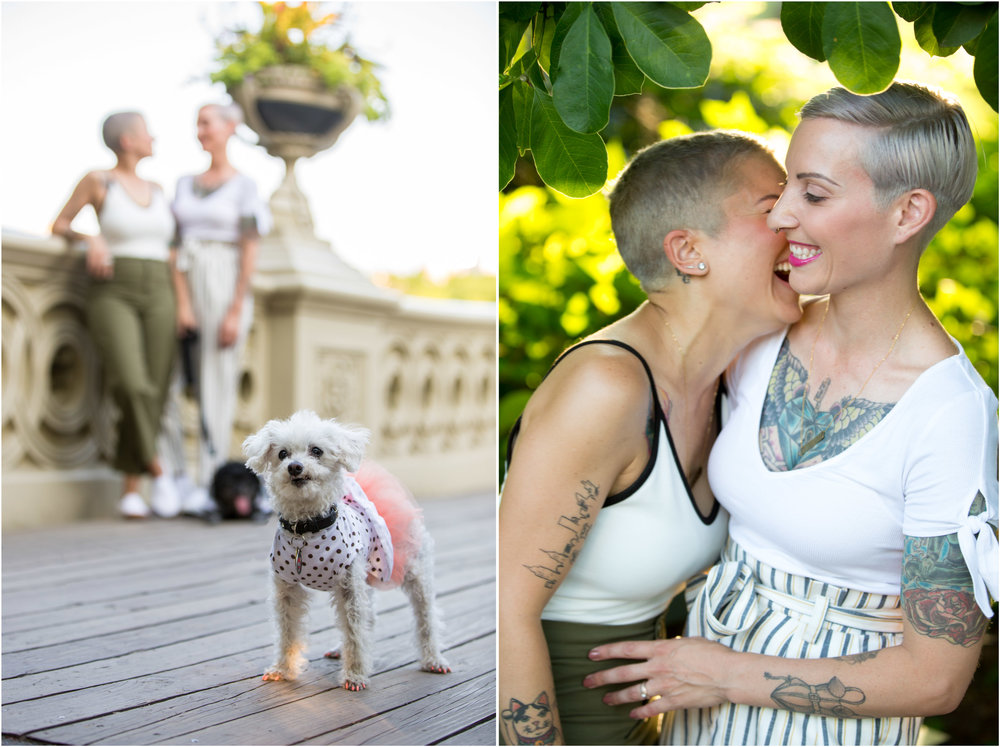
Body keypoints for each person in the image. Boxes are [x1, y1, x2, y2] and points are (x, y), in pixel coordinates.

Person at [584, 82, 998, 746]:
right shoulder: (763, 334)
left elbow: (936, 680)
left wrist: (727, 674)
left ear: (907, 213)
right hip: (698, 704)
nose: (779, 219)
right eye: (783, 193)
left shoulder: (950, 415)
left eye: (814, 193)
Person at [499, 130, 803, 745]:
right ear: (688, 251)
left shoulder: (734, 380)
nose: (797, 223)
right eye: (774, 210)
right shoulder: (606, 388)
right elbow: (505, 609)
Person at [52, 111, 179, 519]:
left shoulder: (158, 189)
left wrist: (185, 303)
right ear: (127, 140)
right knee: (131, 383)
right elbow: (60, 223)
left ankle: (130, 490)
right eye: (146, 131)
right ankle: (160, 472)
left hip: (160, 288)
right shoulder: (98, 180)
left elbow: (172, 252)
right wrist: (91, 239)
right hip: (113, 288)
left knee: (154, 389)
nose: (153, 137)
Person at [167, 102, 271, 511]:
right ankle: (178, 478)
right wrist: (182, 301)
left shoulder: (244, 186)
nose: (200, 130)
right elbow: (173, 244)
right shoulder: (182, 183)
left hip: (224, 279)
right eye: (197, 123)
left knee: (217, 382)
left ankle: (212, 485)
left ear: (230, 128)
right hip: (184, 279)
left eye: (207, 122)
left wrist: (234, 309)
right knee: (170, 383)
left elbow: (250, 249)